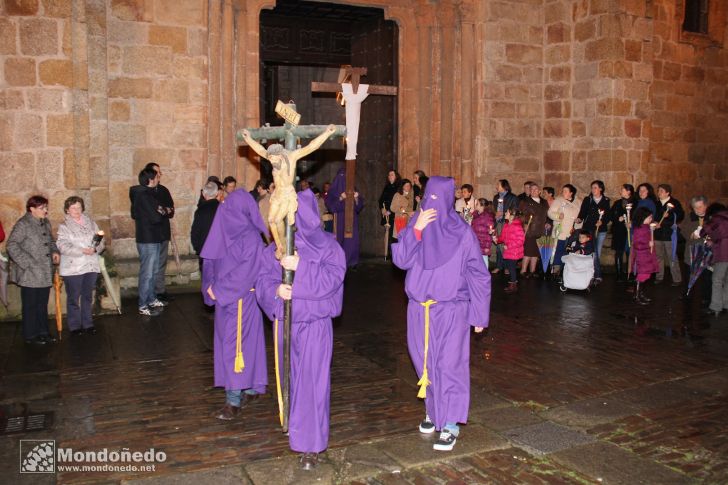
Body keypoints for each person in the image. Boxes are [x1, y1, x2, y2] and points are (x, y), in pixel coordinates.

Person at [392, 176, 490, 452]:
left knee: (450, 364)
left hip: (451, 309)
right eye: (428, 199)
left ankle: (450, 423)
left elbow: (478, 275)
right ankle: (434, 411)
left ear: (448, 201)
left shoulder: (462, 233)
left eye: (438, 200)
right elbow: (401, 260)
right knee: (424, 362)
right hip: (418, 310)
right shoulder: (417, 224)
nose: (432, 205)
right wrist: (417, 231)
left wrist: (479, 314)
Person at [256, 189, 346, 470]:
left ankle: (312, 446)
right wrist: (275, 290)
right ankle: (296, 431)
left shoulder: (329, 247)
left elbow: (333, 280)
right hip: (285, 325)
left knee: (312, 385)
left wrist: (302, 268)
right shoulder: (276, 247)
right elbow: (261, 280)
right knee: (291, 383)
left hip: (314, 327)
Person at [201, 190, 268, 421]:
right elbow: (210, 260)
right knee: (236, 345)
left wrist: (218, 290)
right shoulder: (222, 229)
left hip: (242, 301)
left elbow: (246, 272)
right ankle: (249, 389)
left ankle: (233, 401)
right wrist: (209, 287)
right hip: (226, 301)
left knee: (236, 348)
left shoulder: (251, 237)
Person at [7, 196, 60, 345]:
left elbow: (50, 241)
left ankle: (43, 331)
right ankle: (31, 335)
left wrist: (55, 251)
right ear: (32, 209)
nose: (46, 210)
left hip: (44, 271)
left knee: (41, 304)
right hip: (29, 273)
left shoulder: (45, 223)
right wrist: (27, 262)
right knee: (30, 305)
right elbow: (12, 245)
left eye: (46, 207)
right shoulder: (23, 224)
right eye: (42, 208)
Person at [56, 196, 104, 336]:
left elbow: (101, 239)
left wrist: (96, 249)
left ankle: (88, 324)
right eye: (73, 208)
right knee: (73, 297)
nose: (76, 210)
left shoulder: (91, 223)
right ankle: (74, 326)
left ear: (82, 208)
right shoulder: (64, 226)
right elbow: (62, 245)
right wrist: (82, 250)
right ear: (67, 210)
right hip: (74, 266)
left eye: (78, 207)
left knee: (87, 296)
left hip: (90, 264)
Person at [130, 167, 167, 316]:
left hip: (153, 237)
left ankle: (151, 298)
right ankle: (143, 304)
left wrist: (161, 211)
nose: (159, 178)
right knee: (147, 273)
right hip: (148, 238)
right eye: (157, 176)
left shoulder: (146, 194)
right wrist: (160, 211)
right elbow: (156, 217)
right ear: (151, 180)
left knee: (153, 271)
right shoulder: (143, 196)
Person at [144, 163, 175, 303]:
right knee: (150, 265)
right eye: (157, 172)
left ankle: (160, 291)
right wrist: (162, 210)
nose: (159, 175)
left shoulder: (163, 190)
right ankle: (149, 294)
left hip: (163, 232)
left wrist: (162, 210)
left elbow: (171, 210)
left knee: (161, 263)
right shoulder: (142, 192)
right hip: (149, 235)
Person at [325, 168, 364, 268]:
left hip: (352, 219)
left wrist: (356, 198)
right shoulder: (333, 192)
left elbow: (359, 207)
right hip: (339, 219)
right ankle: (339, 261)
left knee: (352, 241)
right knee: (340, 240)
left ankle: (352, 261)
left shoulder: (352, 188)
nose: (343, 179)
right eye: (341, 176)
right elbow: (331, 207)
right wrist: (341, 198)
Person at [576, 180, 610, 282]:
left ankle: (595, 273)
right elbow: (582, 212)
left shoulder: (606, 200)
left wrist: (602, 222)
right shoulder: (588, 199)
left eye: (595, 187)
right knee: (589, 250)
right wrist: (579, 219)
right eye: (592, 188)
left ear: (601, 188)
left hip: (601, 230)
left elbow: (608, 215)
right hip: (589, 229)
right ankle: (589, 272)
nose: (593, 189)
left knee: (597, 252)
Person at [682, 195, 711, 306]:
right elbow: (684, 230)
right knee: (689, 274)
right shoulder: (690, 217)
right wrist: (692, 234)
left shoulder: (711, 217)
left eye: (700, 207)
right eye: (695, 208)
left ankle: (706, 297)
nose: (698, 210)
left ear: (706, 206)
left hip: (706, 252)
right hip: (691, 251)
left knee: (706, 277)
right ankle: (688, 294)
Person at [653, 184, 685, 285]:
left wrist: (669, 215)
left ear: (667, 193)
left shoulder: (674, 203)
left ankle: (677, 279)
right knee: (658, 257)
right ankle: (659, 276)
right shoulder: (657, 203)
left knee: (672, 257)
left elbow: (680, 216)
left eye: (661, 191)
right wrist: (654, 223)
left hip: (669, 235)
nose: (659, 193)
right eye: (658, 191)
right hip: (657, 234)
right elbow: (653, 216)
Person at [547, 184, 581, 280]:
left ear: (571, 193)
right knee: (558, 251)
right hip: (560, 231)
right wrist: (558, 216)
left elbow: (580, 215)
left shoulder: (578, 202)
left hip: (571, 232)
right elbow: (550, 212)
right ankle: (555, 271)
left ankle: (564, 272)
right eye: (563, 191)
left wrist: (579, 221)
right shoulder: (558, 201)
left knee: (567, 251)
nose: (563, 193)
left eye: (566, 191)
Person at [701, 206, 728, 317]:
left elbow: (704, 231)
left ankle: (716, 307)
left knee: (717, 280)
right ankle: (726, 304)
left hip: (723, 253)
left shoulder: (717, 219)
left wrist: (711, 238)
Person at [518, 182, 550, 278]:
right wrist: (525, 224)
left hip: (540, 230)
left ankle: (532, 271)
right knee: (528, 251)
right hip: (530, 230)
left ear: (539, 191)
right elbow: (521, 215)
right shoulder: (525, 201)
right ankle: (523, 270)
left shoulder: (544, 202)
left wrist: (548, 222)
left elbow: (547, 214)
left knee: (536, 252)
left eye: (536, 189)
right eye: (531, 189)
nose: (533, 191)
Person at [631, 207, 659, 305]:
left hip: (648, 256)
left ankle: (640, 294)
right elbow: (637, 244)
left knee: (646, 275)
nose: (651, 219)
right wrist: (648, 245)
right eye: (649, 217)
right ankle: (637, 295)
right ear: (643, 217)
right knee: (642, 275)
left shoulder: (646, 227)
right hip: (642, 257)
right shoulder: (639, 229)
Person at [491, 179, 519, 274]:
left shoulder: (512, 197)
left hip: (506, 223)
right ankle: (499, 266)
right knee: (498, 244)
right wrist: (495, 214)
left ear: (504, 186)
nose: (496, 186)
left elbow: (514, 210)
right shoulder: (496, 197)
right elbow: (493, 209)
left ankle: (507, 267)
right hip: (498, 223)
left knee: (505, 245)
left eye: (498, 185)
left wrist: (502, 213)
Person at [191, 182, 221, 268]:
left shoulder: (200, 211)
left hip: (205, 250)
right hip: (221, 250)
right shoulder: (224, 209)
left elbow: (195, 232)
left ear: (203, 194)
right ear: (217, 193)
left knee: (206, 277)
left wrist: (198, 248)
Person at [610, 184, 637, 282]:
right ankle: (619, 275)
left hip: (630, 231)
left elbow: (638, 216)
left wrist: (632, 222)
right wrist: (618, 218)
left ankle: (630, 274)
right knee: (618, 253)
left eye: (622, 189)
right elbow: (611, 215)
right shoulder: (617, 203)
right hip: (619, 231)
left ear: (629, 191)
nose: (620, 191)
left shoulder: (636, 203)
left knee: (630, 253)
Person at [498, 209, 525, 293]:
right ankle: (513, 283)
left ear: (512, 216)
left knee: (512, 268)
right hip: (508, 251)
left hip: (514, 251)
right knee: (510, 267)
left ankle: (513, 286)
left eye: (507, 212)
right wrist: (496, 239)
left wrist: (509, 246)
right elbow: (502, 237)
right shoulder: (506, 225)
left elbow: (520, 240)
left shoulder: (517, 226)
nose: (505, 213)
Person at [378, 169, 401, 249]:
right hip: (386, 214)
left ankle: (393, 254)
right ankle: (387, 253)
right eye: (389, 175)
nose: (390, 176)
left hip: (395, 214)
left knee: (394, 235)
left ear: (396, 176)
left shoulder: (399, 187)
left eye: (392, 175)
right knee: (388, 235)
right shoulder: (387, 187)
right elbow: (381, 200)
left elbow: (399, 202)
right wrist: (382, 209)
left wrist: (390, 211)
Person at [471, 198, 495, 269]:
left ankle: (485, 276)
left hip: (483, 242)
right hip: (476, 241)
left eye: (477, 204)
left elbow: (490, 232)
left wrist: (487, 246)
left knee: (484, 260)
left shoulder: (487, 217)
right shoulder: (475, 215)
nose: (475, 205)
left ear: (482, 206)